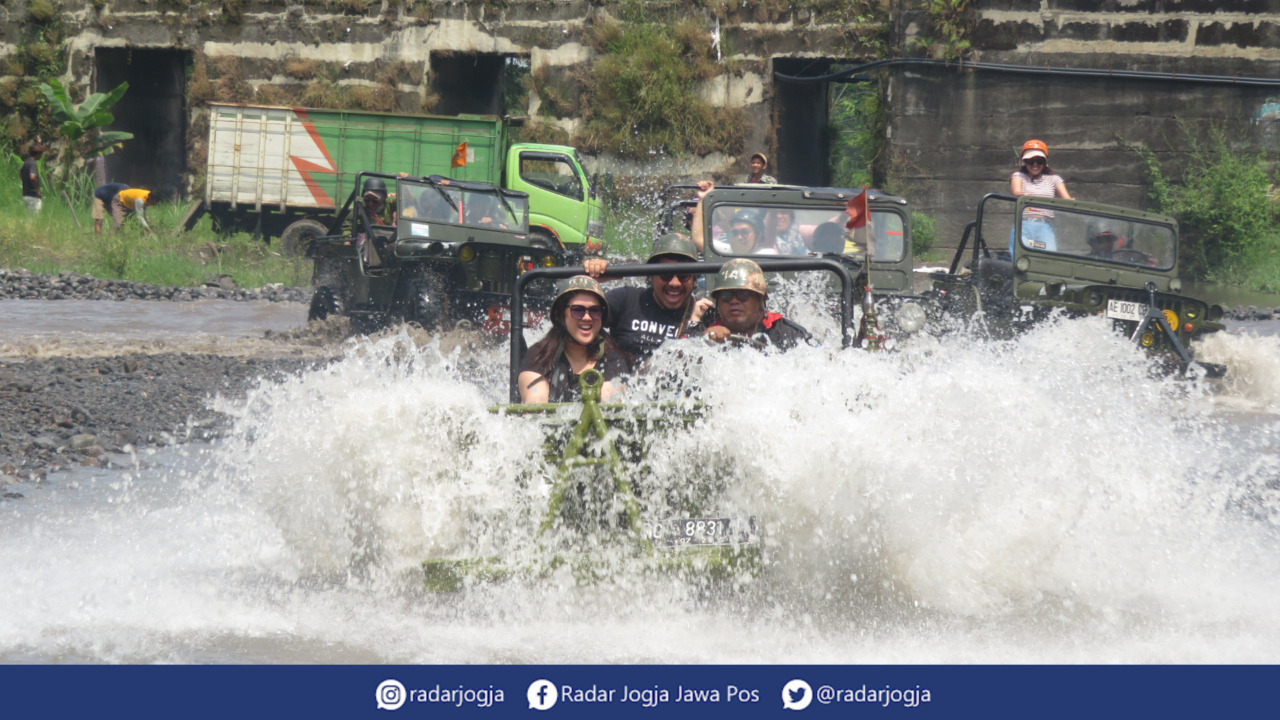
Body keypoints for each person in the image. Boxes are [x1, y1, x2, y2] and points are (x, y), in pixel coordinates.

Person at [582, 232, 714, 361]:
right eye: (666, 274)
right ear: (651, 276)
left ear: (694, 279)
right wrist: (588, 281)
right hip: (621, 379)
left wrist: (720, 330)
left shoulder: (703, 312)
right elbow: (573, 317)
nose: (675, 283)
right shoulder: (626, 299)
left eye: (684, 276)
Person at [518, 275, 631, 403]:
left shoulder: (612, 358)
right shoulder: (540, 355)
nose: (587, 318)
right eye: (578, 310)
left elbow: (610, 401)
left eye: (595, 311)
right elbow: (535, 403)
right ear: (560, 314)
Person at [686, 258, 813, 350]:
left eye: (743, 295)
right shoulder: (705, 329)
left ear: (760, 301)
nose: (734, 301)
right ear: (717, 304)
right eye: (726, 296)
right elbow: (676, 358)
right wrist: (705, 341)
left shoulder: (788, 332)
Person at [1009, 139, 1072, 254]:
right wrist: (1028, 196)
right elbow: (1016, 191)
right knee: (1020, 258)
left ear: (1045, 162)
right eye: (1030, 161)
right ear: (1025, 162)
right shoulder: (1019, 176)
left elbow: (1067, 199)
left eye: (1039, 161)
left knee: (1049, 259)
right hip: (1023, 225)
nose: (1035, 165)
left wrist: (1074, 203)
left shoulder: (1053, 179)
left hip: (1044, 225)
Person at [20, 142, 44, 215]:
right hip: (33, 196)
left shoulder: (26, 162)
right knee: (35, 219)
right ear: (38, 154)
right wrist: (37, 190)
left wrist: (26, 182)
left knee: (29, 218)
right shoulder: (33, 163)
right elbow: (33, 177)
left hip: (26, 194)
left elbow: (20, 174)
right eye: (41, 154)